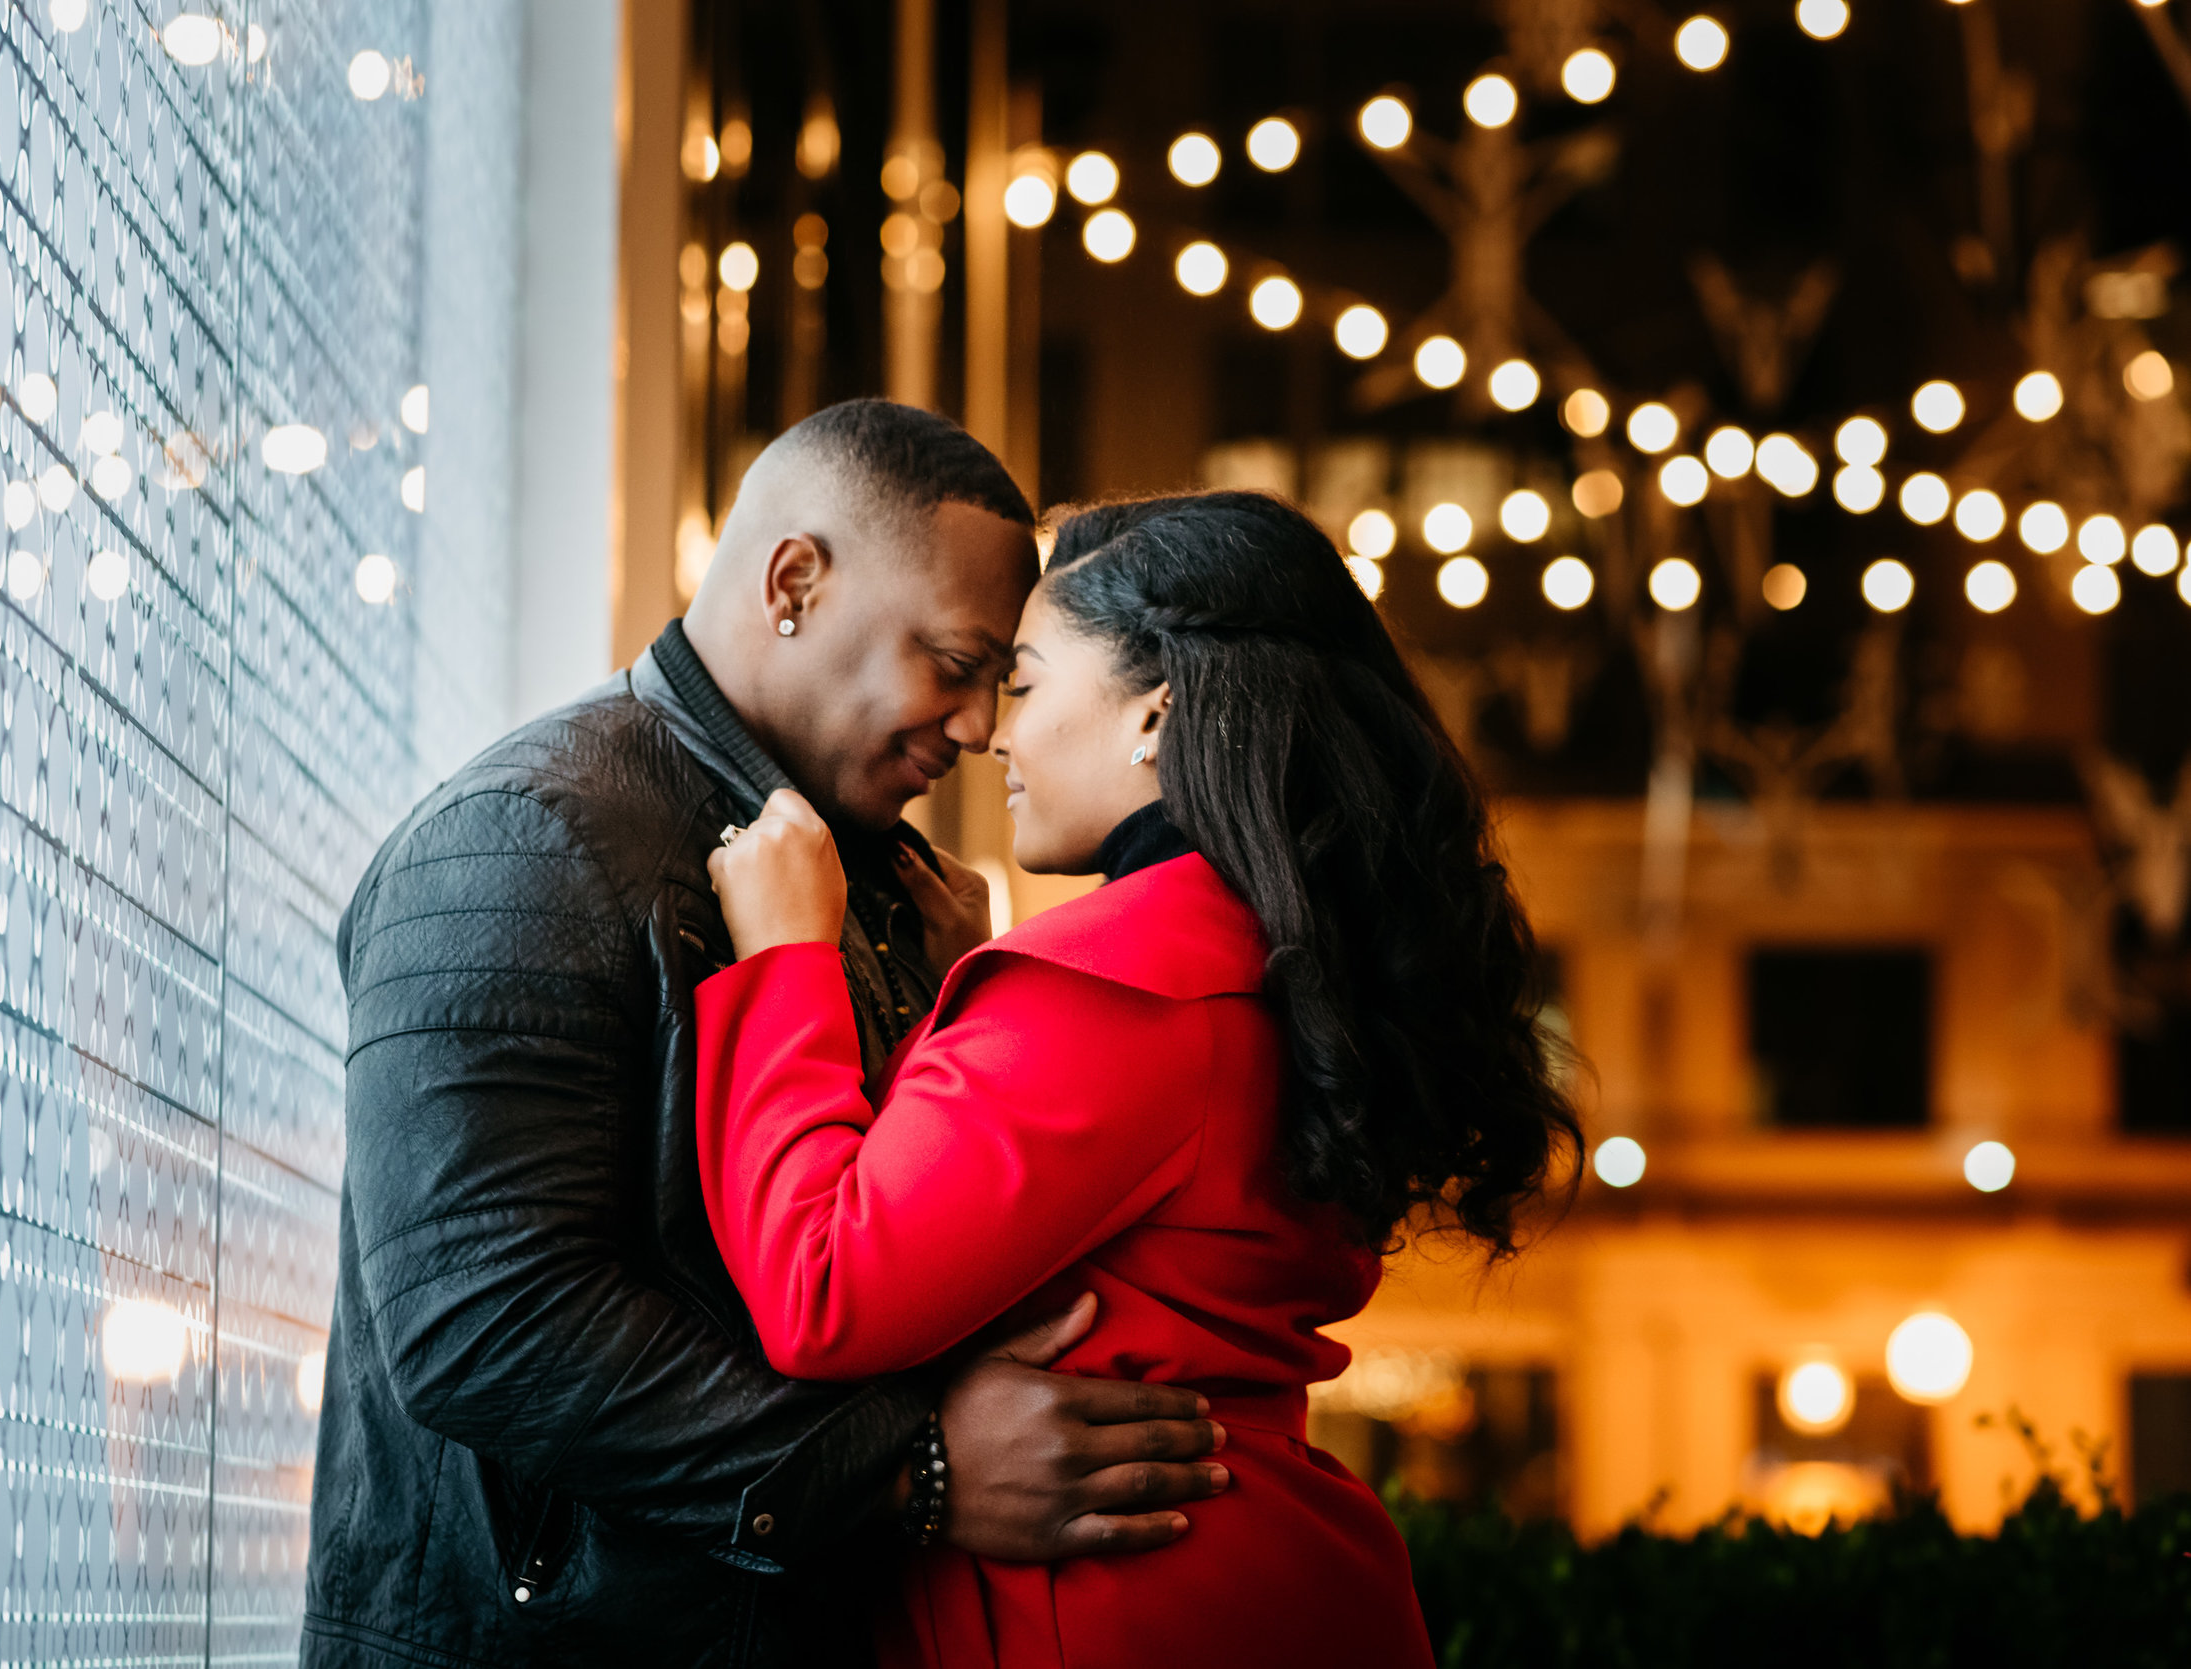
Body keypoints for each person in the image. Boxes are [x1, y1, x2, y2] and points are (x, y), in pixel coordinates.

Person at [304, 403, 1233, 1669]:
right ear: (793, 580)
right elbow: (485, 1322)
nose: (974, 731)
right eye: (955, 662)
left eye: (998, 681)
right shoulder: (520, 840)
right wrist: (916, 1466)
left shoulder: (878, 884)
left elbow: (887, 1264)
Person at [699, 490, 1583, 1667]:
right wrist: (976, 986)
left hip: (1115, 1604)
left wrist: (787, 961)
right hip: (1246, 1582)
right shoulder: (1260, 956)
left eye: (1023, 683)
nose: (993, 735)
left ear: (1155, 713)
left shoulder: (1113, 986)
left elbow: (822, 1289)